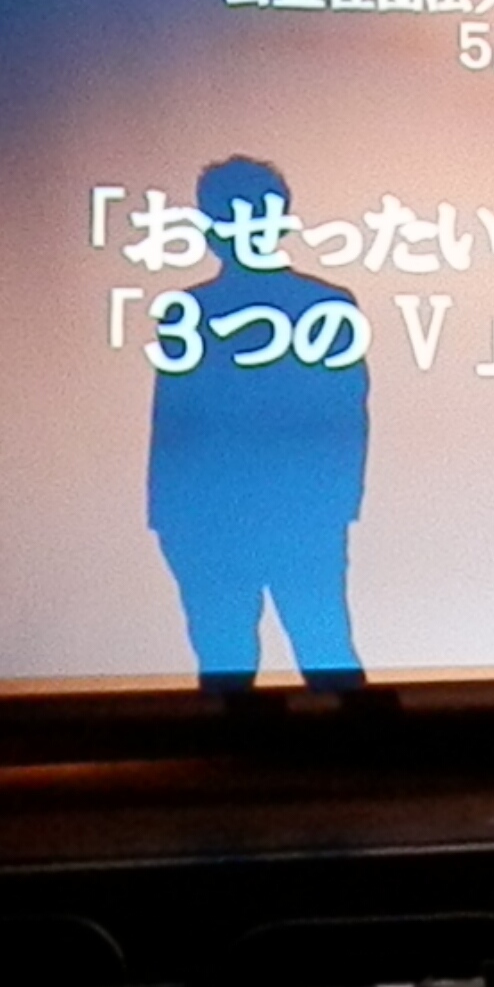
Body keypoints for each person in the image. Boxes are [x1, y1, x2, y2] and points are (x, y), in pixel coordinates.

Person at [147, 157, 369, 690]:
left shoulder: (194, 310)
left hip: (237, 513)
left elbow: (345, 415)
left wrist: (168, 513)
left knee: (254, 652)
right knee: (311, 647)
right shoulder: (319, 304)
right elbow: (347, 414)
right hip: (261, 512)